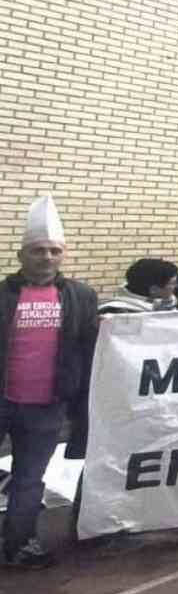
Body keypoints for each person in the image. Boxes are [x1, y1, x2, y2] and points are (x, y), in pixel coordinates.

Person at [1, 196, 97, 568]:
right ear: (22, 254)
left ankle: (18, 544)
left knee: (29, 479)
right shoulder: (2, 294)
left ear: (63, 255)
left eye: (54, 251)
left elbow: (91, 345)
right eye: (39, 250)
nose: (47, 257)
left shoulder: (81, 296)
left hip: (48, 405)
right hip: (2, 399)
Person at [99, 258, 178, 315]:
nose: (176, 286)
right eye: (173, 283)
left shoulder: (169, 307)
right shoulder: (115, 313)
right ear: (154, 289)